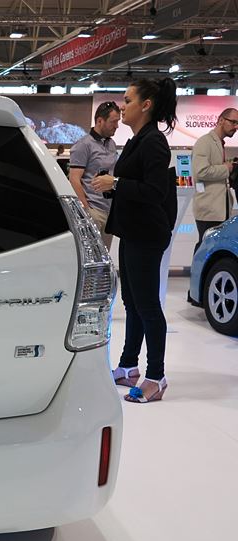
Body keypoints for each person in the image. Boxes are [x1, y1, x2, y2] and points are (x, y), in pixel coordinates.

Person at [92, 78, 178, 404]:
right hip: (131, 231)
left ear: (146, 105)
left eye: (127, 100)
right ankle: (129, 366)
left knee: (148, 306)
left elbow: (155, 191)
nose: (122, 106)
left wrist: (116, 183)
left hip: (146, 234)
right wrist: (113, 184)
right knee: (132, 303)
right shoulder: (137, 140)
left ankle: (156, 376)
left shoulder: (154, 142)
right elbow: (134, 183)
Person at [68, 100, 120, 249]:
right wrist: (86, 211)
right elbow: (74, 179)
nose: (117, 126)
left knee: (105, 255)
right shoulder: (83, 145)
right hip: (93, 210)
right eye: (113, 122)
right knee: (91, 255)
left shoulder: (111, 144)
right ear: (100, 121)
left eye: (118, 121)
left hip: (109, 210)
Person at [191, 107, 238, 252]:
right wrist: (226, 168)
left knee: (213, 249)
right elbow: (201, 171)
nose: (236, 127)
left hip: (219, 210)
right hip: (209, 211)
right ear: (221, 120)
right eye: (233, 122)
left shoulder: (218, 143)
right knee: (205, 248)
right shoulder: (205, 142)